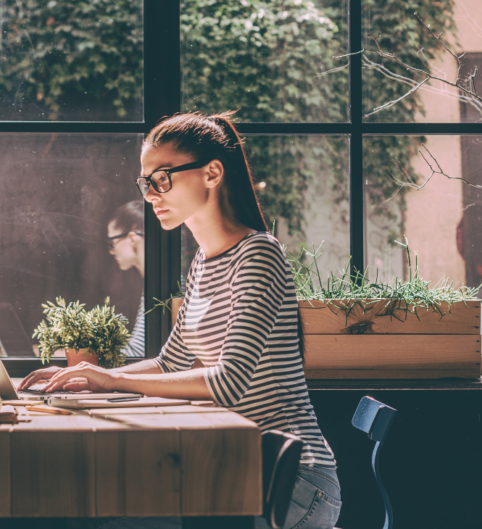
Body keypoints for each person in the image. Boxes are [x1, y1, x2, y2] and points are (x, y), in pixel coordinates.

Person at [19, 111, 341, 529]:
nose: (151, 193)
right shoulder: (203, 264)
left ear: (212, 173)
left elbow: (227, 384)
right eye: (145, 181)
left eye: (163, 177)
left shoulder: (258, 254)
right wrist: (86, 375)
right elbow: (170, 362)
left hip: (292, 481)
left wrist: (111, 380)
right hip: (236, 467)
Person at [107, 201, 146, 358]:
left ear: (132, 239)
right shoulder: (154, 283)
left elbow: (138, 354)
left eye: (112, 242)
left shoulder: (160, 287)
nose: (111, 251)